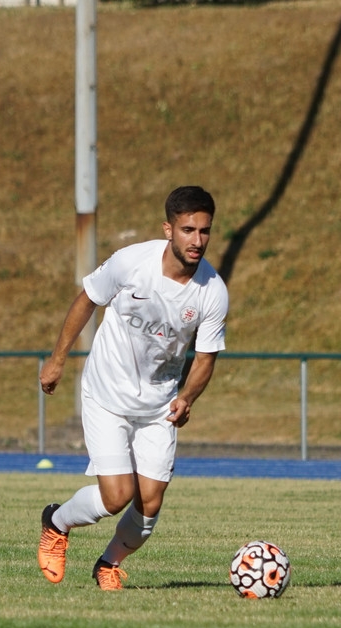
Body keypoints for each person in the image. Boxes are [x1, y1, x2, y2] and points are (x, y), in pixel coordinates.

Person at [37, 185, 229, 590]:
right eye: (188, 230)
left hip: (158, 405)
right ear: (168, 229)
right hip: (106, 395)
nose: (197, 241)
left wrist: (186, 397)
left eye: (205, 231)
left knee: (150, 504)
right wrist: (57, 359)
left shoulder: (212, 291)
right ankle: (56, 522)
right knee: (116, 496)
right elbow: (87, 299)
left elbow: (205, 358)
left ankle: (108, 563)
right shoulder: (131, 262)